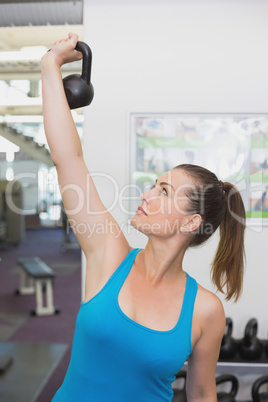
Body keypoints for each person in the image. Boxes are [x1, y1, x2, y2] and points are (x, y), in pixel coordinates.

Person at [41, 33, 246, 402]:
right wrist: (50, 65)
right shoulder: (109, 254)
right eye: (154, 185)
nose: (146, 195)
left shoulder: (204, 310)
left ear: (190, 223)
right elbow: (68, 157)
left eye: (164, 192)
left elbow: (201, 393)